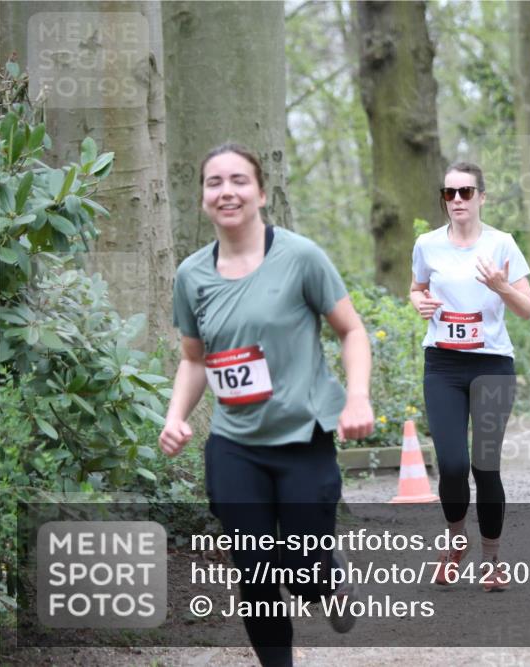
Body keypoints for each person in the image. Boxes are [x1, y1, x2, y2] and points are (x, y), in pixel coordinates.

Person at [158, 143, 374, 667]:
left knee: (302, 566)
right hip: (235, 444)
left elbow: (351, 331)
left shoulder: (300, 257)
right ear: (203, 197)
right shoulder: (191, 275)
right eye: (214, 182)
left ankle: (326, 578)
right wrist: (175, 416)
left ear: (260, 192)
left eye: (238, 180)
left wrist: (357, 398)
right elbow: (194, 359)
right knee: (254, 570)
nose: (226, 191)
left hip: (302, 436)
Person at [410, 161, 530, 592]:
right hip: (443, 366)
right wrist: (420, 303)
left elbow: (527, 309)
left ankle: (492, 559)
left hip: (491, 365)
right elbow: (416, 288)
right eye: (450, 193)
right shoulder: (427, 244)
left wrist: (501, 286)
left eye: (466, 192)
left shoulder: (502, 244)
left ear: (482, 197)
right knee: (451, 465)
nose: (457, 200)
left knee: (485, 466)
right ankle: (455, 541)